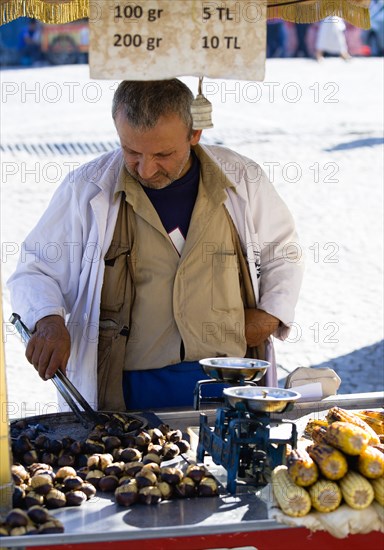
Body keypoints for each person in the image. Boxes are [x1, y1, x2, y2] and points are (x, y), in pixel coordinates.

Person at [8, 79, 304, 412]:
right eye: (131, 151)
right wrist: (48, 321)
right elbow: (36, 268)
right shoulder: (86, 188)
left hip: (229, 381)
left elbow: (283, 251)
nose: (146, 169)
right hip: (127, 390)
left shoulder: (242, 177)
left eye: (163, 154)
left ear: (195, 135)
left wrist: (270, 315)